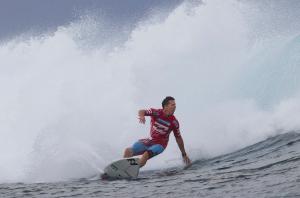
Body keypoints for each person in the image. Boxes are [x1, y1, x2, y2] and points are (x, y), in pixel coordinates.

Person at [123, 96, 191, 167]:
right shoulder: (156, 112)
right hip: (149, 141)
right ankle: (123, 168)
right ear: (166, 106)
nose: (175, 107)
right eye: (172, 105)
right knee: (128, 151)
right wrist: (142, 116)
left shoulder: (174, 122)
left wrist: (184, 154)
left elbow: (178, 138)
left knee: (146, 155)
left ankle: (132, 169)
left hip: (160, 145)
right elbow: (141, 111)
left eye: (175, 105)